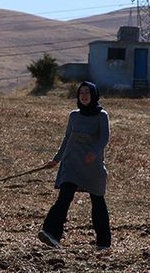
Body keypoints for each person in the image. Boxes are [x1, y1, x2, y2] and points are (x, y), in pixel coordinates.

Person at [37, 81, 111, 250]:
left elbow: (104, 138)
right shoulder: (74, 116)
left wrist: (94, 152)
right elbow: (67, 139)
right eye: (81, 92)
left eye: (87, 92)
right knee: (64, 197)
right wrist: (56, 159)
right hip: (72, 164)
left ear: (94, 95)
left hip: (93, 167)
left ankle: (103, 243)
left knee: (98, 202)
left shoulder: (102, 116)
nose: (84, 95)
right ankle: (51, 233)